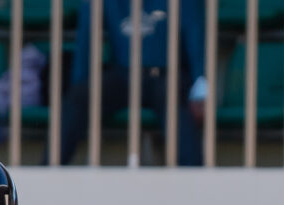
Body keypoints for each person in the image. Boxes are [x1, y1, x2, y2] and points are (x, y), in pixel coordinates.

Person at [58, 0, 208, 167]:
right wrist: (78, 84)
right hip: (123, 74)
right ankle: (50, 169)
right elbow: (86, 41)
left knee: (174, 104)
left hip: (167, 75)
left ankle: (192, 176)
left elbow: (195, 35)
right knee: (79, 97)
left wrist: (200, 88)